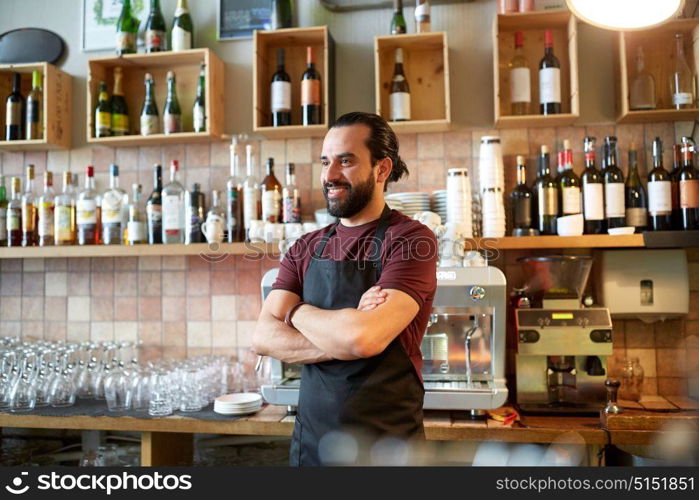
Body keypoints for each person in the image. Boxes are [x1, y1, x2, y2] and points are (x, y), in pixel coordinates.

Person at [253, 111, 438, 466]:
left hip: (387, 452)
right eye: (325, 162)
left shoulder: (412, 240)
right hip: (312, 449)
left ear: (382, 169)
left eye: (346, 161)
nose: (330, 175)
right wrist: (347, 331)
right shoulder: (304, 247)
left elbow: (363, 339)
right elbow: (263, 336)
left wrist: (294, 313)